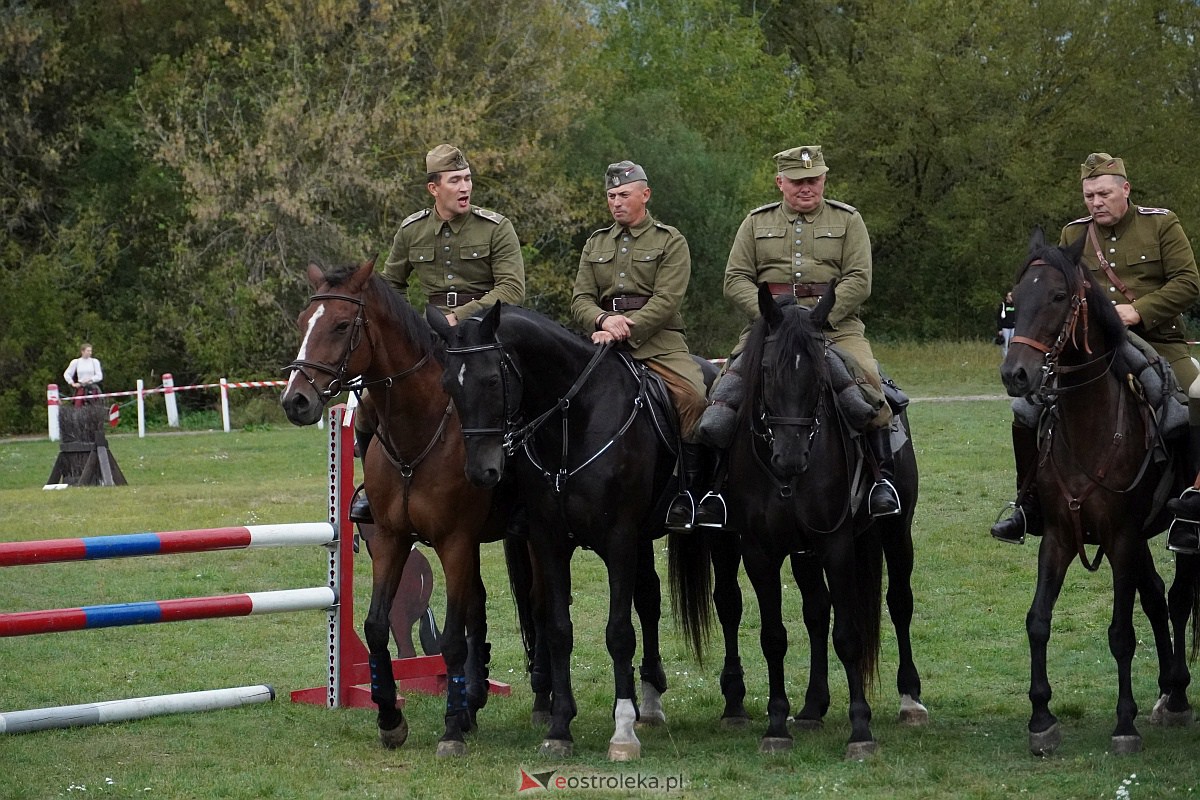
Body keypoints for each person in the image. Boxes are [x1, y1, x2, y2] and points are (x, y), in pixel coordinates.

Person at [990, 152, 1200, 551]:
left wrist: (1137, 311)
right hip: (1091, 348)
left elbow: (1189, 283)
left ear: (1125, 189)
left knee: (1194, 399)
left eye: (1103, 193)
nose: (1095, 202)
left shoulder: (1161, 223)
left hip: (1157, 340)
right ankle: (1028, 502)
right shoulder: (1074, 234)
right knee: (1026, 410)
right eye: (1088, 195)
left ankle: (1191, 505)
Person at [709, 145, 901, 518]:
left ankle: (882, 481)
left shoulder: (848, 220)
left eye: (813, 179)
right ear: (780, 182)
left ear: (824, 178)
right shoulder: (755, 222)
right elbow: (735, 280)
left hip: (834, 327)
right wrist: (772, 318)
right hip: (770, 331)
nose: (806, 188)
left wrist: (817, 317)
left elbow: (860, 280)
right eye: (797, 181)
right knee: (721, 396)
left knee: (870, 386)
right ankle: (714, 490)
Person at [350, 144, 526, 523]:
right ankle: (372, 493)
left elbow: (512, 289)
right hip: (429, 338)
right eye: (455, 180)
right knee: (366, 408)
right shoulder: (412, 230)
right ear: (434, 189)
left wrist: (458, 316)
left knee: (511, 402)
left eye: (467, 179)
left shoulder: (495, 227)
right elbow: (389, 286)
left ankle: (521, 492)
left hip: (483, 334)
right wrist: (406, 330)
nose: (465, 187)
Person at [571, 160, 725, 532]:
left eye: (624, 194)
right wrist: (603, 320)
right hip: (603, 343)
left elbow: (667, 299)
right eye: (611, 196)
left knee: (694, 398)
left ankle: (692, 494)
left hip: (660, 344)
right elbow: (580, 299)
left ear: (645, 194)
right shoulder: (596, 243)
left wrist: (627, 327)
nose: (616, 202)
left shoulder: (670, 241)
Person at [997, 291, 1016, 357]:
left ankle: (1011, 358)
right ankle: (1005, 359)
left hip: (1013, 327)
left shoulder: (1015, 305)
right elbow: (999, 318)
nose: (1011, 297)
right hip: (1005, 328)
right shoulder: (1003, 305)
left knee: (1012, 344)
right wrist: (1000, 329)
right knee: (1005, 344)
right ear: (1006, 297)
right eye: (1010, 296)